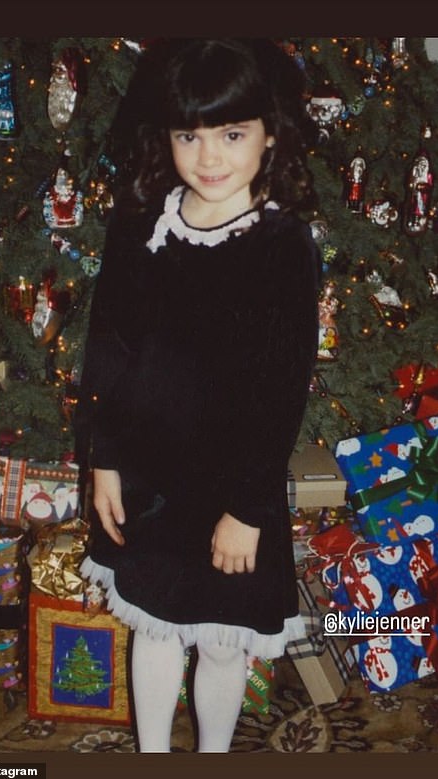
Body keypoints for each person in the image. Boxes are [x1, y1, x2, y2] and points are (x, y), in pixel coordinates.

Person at [74, 38, 321, 753]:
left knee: (220, 641)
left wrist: (246, 509)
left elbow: (281, 389)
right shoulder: (140, 226)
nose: (210, 157)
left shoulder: (282, 245)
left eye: (232, 135)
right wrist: (104, 460)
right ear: (168, 138)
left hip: (232, 487)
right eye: (191, 136)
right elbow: (109, 352)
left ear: (269, 134)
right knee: (153, 626)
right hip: (149, 478)